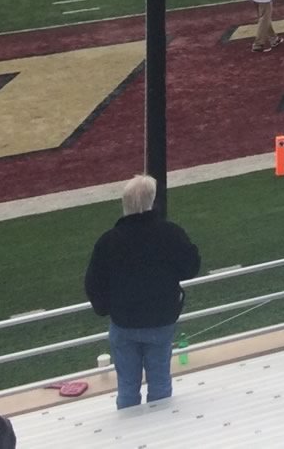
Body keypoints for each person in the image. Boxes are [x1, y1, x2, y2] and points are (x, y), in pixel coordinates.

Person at [83, 174, 201, 410]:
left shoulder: (108, 241)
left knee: (127, 387)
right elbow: (191, 266)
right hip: (161, 321)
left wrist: (106, 308)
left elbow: (93, 282)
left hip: (124, 324)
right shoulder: (169, 232)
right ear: (152, 202)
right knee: (160, 384)